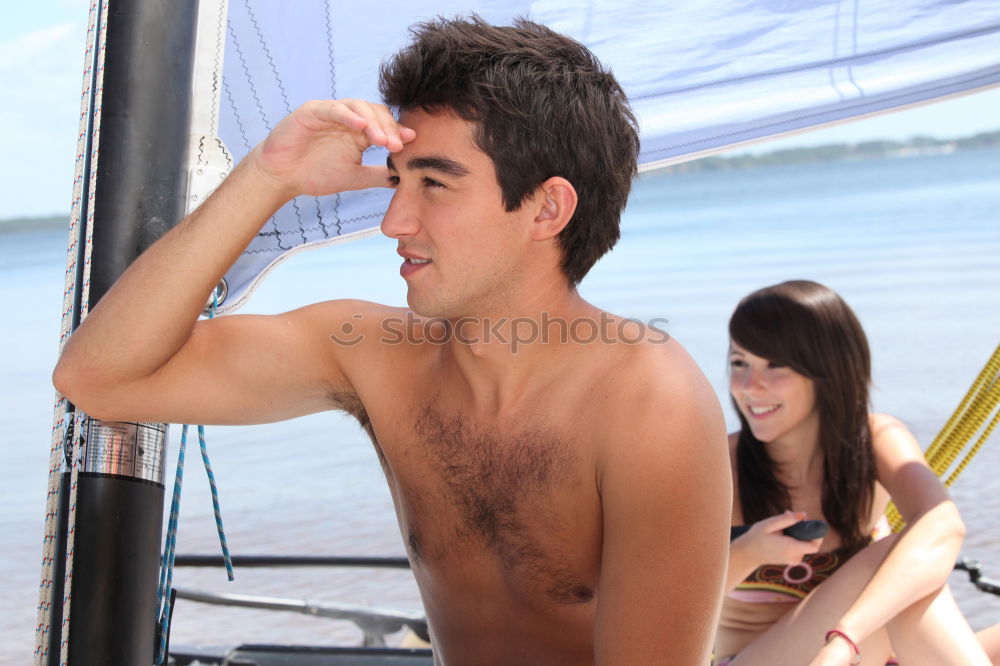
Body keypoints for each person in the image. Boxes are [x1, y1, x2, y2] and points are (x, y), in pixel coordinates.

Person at [53, 16, 731, 666]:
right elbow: (100, 379)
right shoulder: (371, 354)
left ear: (547, 208)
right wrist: (269, 176)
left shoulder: (650, 406)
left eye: (434, 183)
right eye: (396, 181)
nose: (393, 221)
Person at [716, 279, 993, 666]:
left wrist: (844, 640)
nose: (749, 386)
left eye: (775, 364)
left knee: (915, 557)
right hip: (755, 658)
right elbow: (671, 607)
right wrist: (748, 553)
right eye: (739, 363)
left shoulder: (875, 441)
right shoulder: (720, 466)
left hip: (853, 649)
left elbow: (946, 527)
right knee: (896, 555)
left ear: (828, 369)